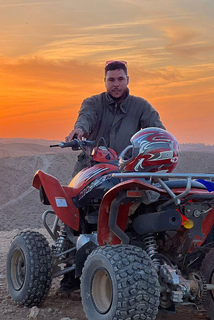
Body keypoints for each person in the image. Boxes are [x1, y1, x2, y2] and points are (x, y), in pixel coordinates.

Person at [58, 60, 165, 294]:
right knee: (72, 211)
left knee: (156, 201)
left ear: (127, 80)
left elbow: (157, 130)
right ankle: (69, 273)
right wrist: (79, 131)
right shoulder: (93, 103)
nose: (116, 84)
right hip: (92, 165)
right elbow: (85, 118)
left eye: (120, 79)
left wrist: (162, 143)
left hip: (129, 170)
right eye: (111, 80)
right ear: (104, 81)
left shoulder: (141, 106)